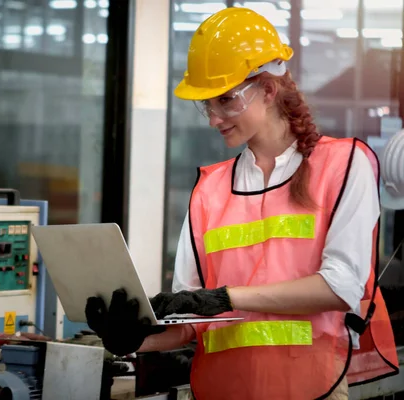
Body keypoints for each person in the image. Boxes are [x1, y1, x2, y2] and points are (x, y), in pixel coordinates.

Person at [84, 7, 399, 400]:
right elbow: (190, 324)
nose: (213, 118)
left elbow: (339, 287)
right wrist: (133, 338)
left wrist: (224, 297)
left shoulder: (344, 165)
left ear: (268, 89)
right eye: (207, 105)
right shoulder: (209, 189)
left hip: (311, 390)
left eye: (225, 100)